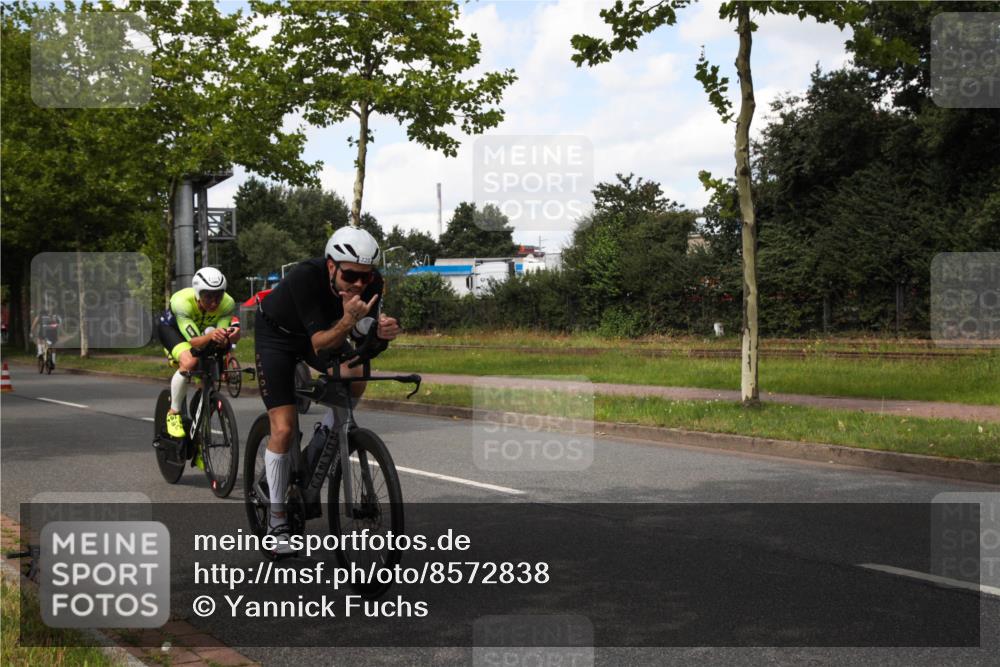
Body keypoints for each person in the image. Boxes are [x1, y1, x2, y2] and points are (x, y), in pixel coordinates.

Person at [254, 226, 401, 556]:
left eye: (366, 276)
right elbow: (321, 342)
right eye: (350, 275)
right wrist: (348, 322)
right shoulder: (306, 277)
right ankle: (277, 522)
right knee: (284, 428)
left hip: (324, 334)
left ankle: (327, 433)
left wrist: (380, 334)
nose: (359, 283)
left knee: (356, 373)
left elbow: (362, 340)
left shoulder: (372, 283)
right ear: (332, 266)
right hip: (278, 338)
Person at [156, 268, 239, 463]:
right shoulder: (181, 302)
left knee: (208, 377)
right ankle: (173, 413)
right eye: (208, 297)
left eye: (218, 296)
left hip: (201, 332)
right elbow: (194, 342)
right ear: (197, 294)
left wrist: (230, 336)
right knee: (190, 361)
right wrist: (213, 336)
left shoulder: (228, 303)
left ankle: (198, 437)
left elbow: (220, 336)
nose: (214, 303)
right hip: (174, 331)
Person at [31, 303, 62, 368]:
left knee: (39, 339)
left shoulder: (40, 316)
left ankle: (40, 352)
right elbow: (59, 324)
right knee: (53, 347)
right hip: (53, 334)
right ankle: (53, 361)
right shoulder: (55, 316)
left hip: (43, 333)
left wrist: (31, 332)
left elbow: (34, 325)